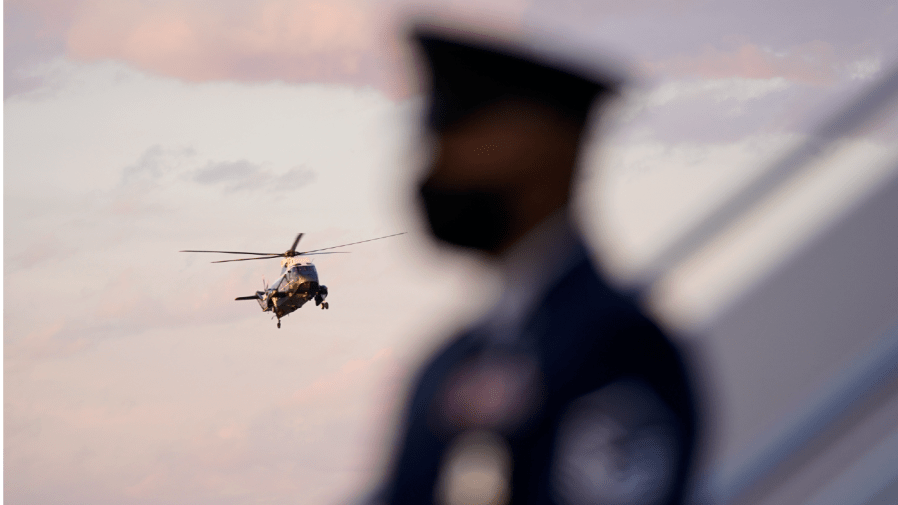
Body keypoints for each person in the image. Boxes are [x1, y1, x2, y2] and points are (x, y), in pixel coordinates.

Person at [377, 23, 698, 505]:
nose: (435, 166)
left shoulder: (619, 350)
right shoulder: (453, 358)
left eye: (459, 134)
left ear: (542, 143)